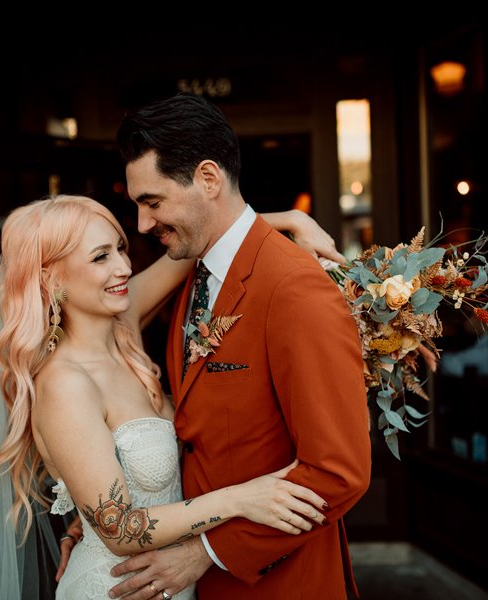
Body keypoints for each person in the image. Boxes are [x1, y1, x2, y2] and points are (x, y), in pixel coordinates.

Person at [0, 194, 346, 600]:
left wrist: (290, 218)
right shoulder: (65, 385)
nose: (123, 267)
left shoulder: (122, 323)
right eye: (100, 258)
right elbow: (120, 529)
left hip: (174, 583)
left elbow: (201, 243)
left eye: (120, 248)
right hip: (118, 588)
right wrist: (242, 499)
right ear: (52, 280)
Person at [107, 93, 372, 599]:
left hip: (279, 581)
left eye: (152, 202)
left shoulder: (295, 288)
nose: (142, 224)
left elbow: (338, 472)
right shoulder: (196, 275)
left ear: (208, 179)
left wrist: (203, 552)